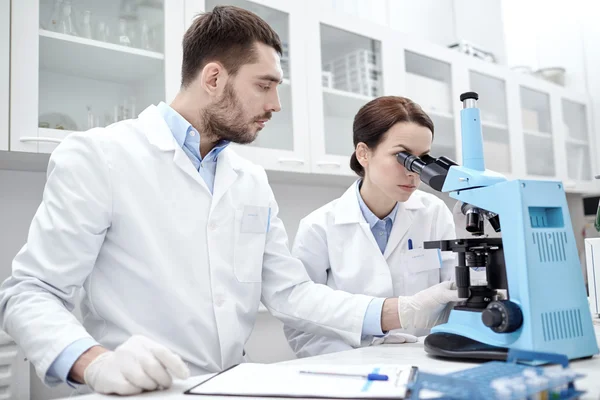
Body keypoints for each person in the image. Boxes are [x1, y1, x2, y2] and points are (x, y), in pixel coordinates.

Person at [0, 7, 461, 396]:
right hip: (136, 390)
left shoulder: (250, 179)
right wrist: (93, 361)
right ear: (214, 77)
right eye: (265, 84)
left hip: (229, 384)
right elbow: (29, 293)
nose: (277, 104)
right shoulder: (100, 155)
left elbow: (289, 293)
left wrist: (396, 312)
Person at [284, 96, 458, 358]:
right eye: (404, 157)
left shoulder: (434, 214)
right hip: (350, 367)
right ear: (364, 153)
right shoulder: (319, 227)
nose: (414, 172)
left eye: (422, 159)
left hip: (425, 360)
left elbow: (454, 301)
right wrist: (354, 362)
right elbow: (301, 323)